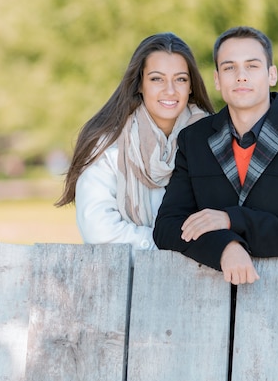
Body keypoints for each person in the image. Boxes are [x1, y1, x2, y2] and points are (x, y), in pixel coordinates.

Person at [153, 26, 278, 285]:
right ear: (218, 79)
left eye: (252, 66)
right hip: (206, 301)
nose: (241, 76)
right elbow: (167, 227)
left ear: (271, 74)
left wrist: (232, 220)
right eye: (229, 67)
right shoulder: (194, 139)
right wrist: (225, 245)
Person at [55, 32, 215, 263]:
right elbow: (98, 230)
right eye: (156, 79)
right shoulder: (108, 147)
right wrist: (169, 244)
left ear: (191, 86)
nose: (170, 90)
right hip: (124, 283)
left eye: (180, 79)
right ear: (139, 83)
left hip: (203, 280)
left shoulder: (215, 141)